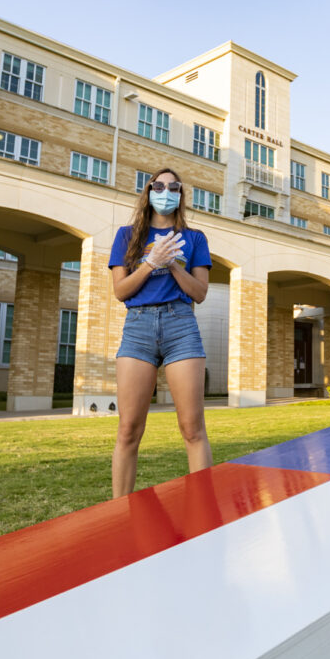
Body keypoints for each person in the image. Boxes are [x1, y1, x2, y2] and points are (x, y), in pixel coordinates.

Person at [108, 168, 213, 498]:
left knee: (192, 428)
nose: (165, 191)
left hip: (180, 325)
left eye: (173, 187)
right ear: (149, 191)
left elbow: (200, 293)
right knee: (128, 430)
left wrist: (174, 265)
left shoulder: (194, 238)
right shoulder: (127, 236)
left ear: (180, 194)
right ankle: (119, 512)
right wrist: (151, 262)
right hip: (138, 328)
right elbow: (121, 291)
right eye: (159, 186)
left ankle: (204, 514)